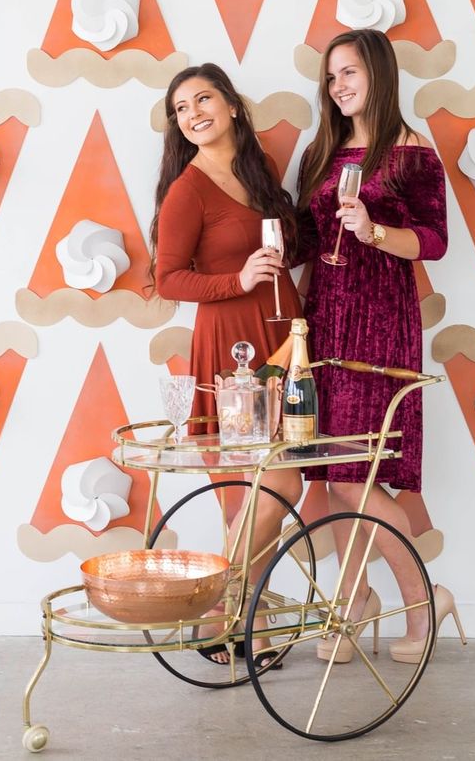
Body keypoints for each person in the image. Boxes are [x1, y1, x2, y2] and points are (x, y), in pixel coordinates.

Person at [296, 28, 463, 663]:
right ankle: (357, 597)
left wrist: (375, 229)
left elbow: (435, 241)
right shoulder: (323, 150)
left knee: (356, 473)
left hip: (378, 324)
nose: (339, 85)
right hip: (325, 324)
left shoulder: (410, 153)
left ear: (380, 74)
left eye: (350, 73)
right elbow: (312, 242)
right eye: (331, 75)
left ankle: (422, 601)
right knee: (335, 475)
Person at [151, 63, 303, 665]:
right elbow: (166, 279)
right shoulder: (188, 189)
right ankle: (224, 607)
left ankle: (245, 619)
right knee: (258, 489)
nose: (193, 114)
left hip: (285, 341)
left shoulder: (258, 169)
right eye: (181, 109)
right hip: (232, 347)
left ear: (233, 105)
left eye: (203, 99)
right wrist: (235, 279)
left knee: (268, 487)